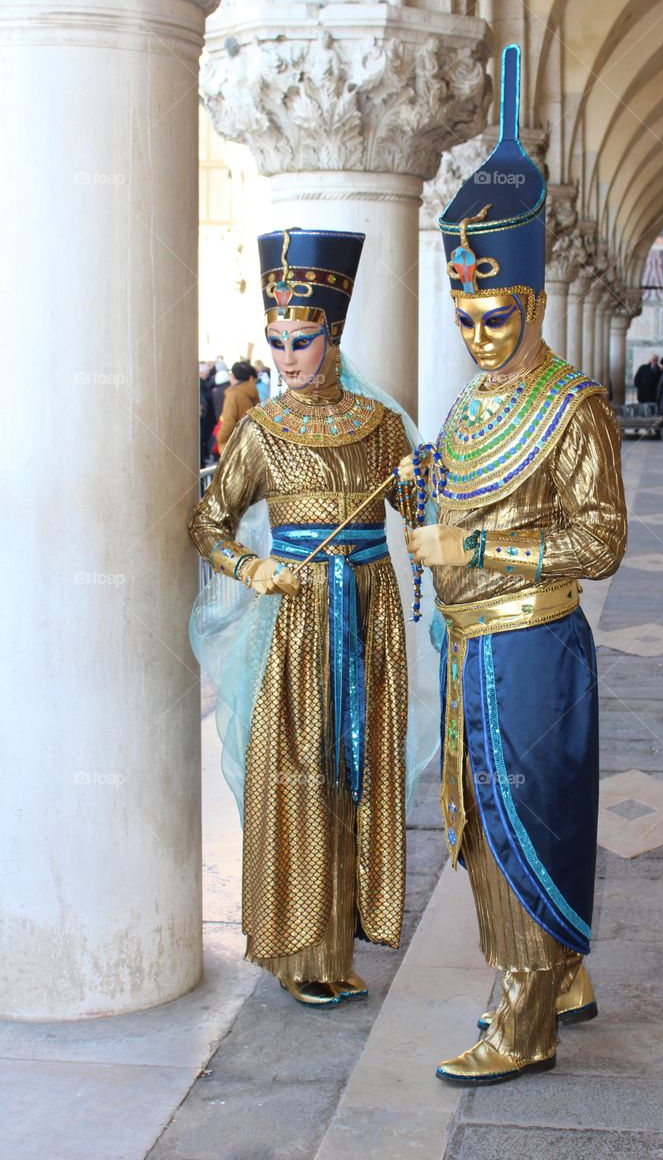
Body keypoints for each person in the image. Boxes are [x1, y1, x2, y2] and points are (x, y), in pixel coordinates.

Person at [402, 45, 627, 1085]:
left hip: (534, 645)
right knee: (486, 821)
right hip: (471, 642)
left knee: (525, 813)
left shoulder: (573, 405)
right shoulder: (467, 404)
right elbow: (455, 487)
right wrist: (423, 489)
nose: (477, 333)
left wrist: (478, 544)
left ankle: (522, 1015)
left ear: (535, 298)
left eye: (494, 313)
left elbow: (599, 539)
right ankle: (559, 972)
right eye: (461, 315)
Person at [189, 228, 418, 1009]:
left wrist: (431, 486)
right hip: (295, 623)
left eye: (303, 339)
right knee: (301, 775)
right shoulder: (258, 430)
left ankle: (344, 939)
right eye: (277, 341)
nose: (287, 357)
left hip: (370, 613)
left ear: (334, 333)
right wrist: (253, 567)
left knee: (358, 769)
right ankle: (299, 949)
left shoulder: (383, 427)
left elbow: (417, 514)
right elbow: (207, 523)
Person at [217, 360, 260, 451]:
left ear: (233, 376)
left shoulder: (233, 395)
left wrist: (220, 438)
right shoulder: (253, 392)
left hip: (235, 444)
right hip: (251, 442)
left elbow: (228, 421)